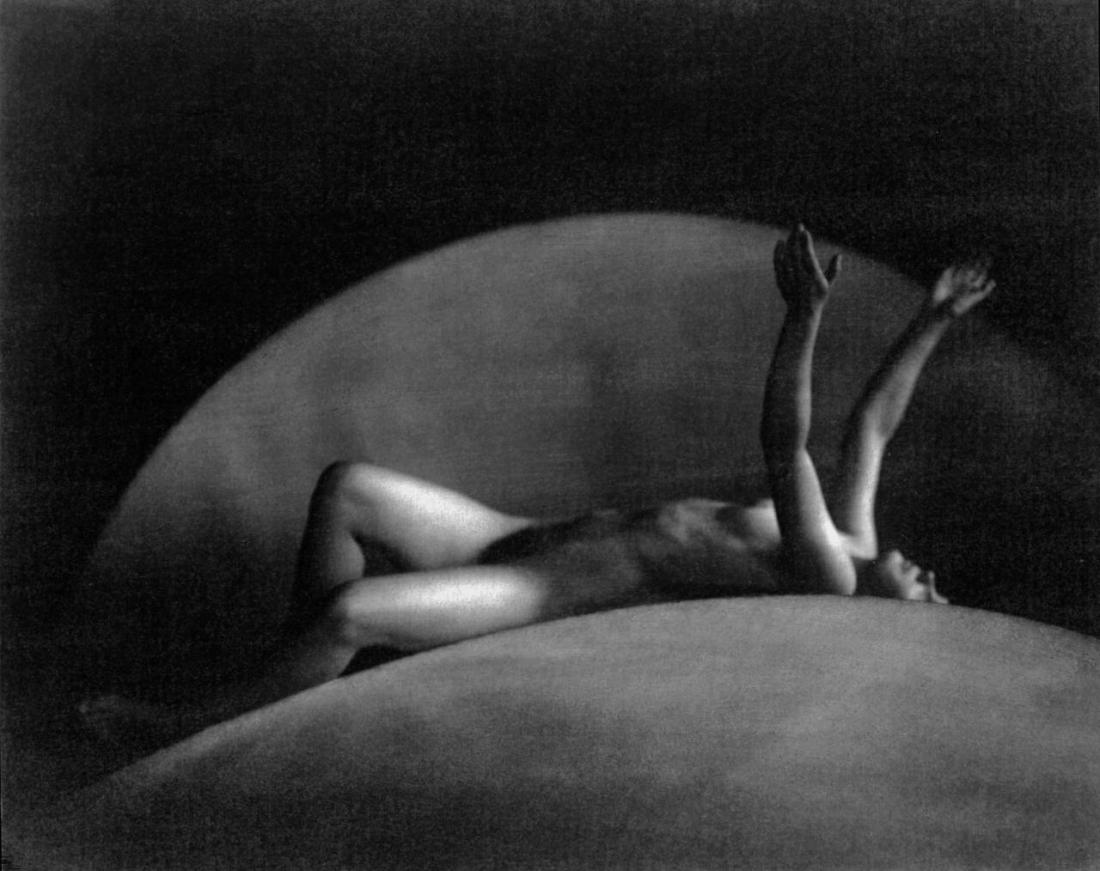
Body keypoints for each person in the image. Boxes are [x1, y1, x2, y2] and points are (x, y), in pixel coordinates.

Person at [80, 225, 994, 748]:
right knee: (348, 487)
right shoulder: (855, 536)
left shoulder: (829, 577)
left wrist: (802, 320)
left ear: (893, 618)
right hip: (509, 531)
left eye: (931, 594)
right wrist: (933, 320)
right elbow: (870, 427)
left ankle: (186, 726)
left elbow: (783, 444)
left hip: (535, 588)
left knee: (351, 612)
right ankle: (294, 683)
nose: (928, 575)